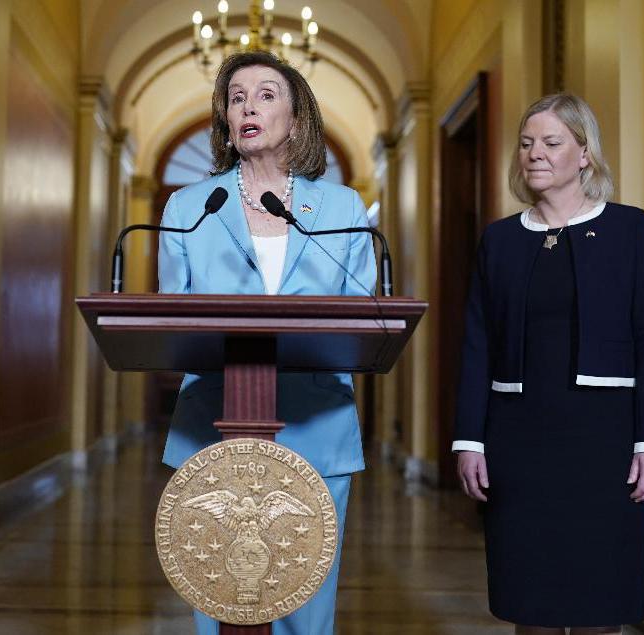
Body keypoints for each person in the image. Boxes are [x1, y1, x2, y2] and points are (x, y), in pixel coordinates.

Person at [158, 51, 376, 635]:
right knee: (220, 598)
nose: (248, 106)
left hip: (316, 423)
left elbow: (363, 319)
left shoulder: (342, 207)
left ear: (297, 121)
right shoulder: (190, 207)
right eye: (237, 98)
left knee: (308, 607)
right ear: (227, 122)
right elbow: (170, 320)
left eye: (266, 94)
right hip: (214, 425)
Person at [453, 93, 644, 634]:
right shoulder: (499, 240)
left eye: (552, 143)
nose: (535, 153)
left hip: (604, 442)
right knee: (530, 601)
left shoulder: (629, 230)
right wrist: (469, 441)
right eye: (527, 143)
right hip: (518, 441)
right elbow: (478, 345)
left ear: (584, 154)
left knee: (600, 602)